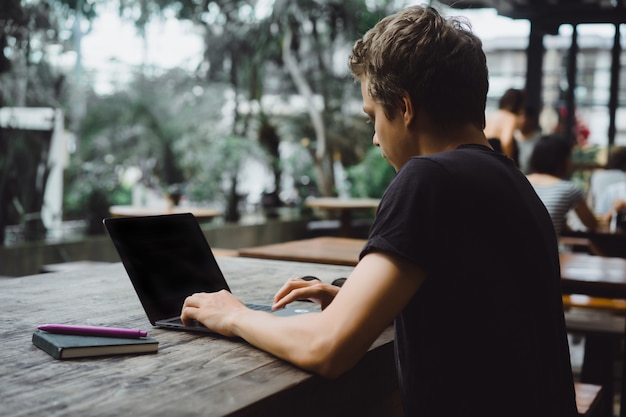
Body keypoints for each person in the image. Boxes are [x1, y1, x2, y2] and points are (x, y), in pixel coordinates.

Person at [181, 6, 577, 416]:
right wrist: (366, 303)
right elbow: (481, 313)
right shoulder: (512, 183)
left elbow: (326, 349)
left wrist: (232, 315)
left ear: (405, 108)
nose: (374, 138)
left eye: (373, 117)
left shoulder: (429, 177)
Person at [526, 134, 597, 235]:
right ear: (562, 160)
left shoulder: (519, 180)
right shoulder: (568, 188)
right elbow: (591, 224)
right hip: (546, 250)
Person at [484, 87, 525, 160]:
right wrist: (509, 163)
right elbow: (506, 141)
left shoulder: (491, 116)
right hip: (497, 160)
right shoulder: (511, 118)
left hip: (484, 156)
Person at [589, 146, 626, 215]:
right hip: (615, 215)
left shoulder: (597, 176)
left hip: (601, 214)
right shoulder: (622, 177)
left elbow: (591, 201)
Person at [513, 106, 542, 174]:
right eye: (518, 116)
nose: (520, 120)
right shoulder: (511, 137)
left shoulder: (539, 139)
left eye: (522, 116)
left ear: (531, 119)